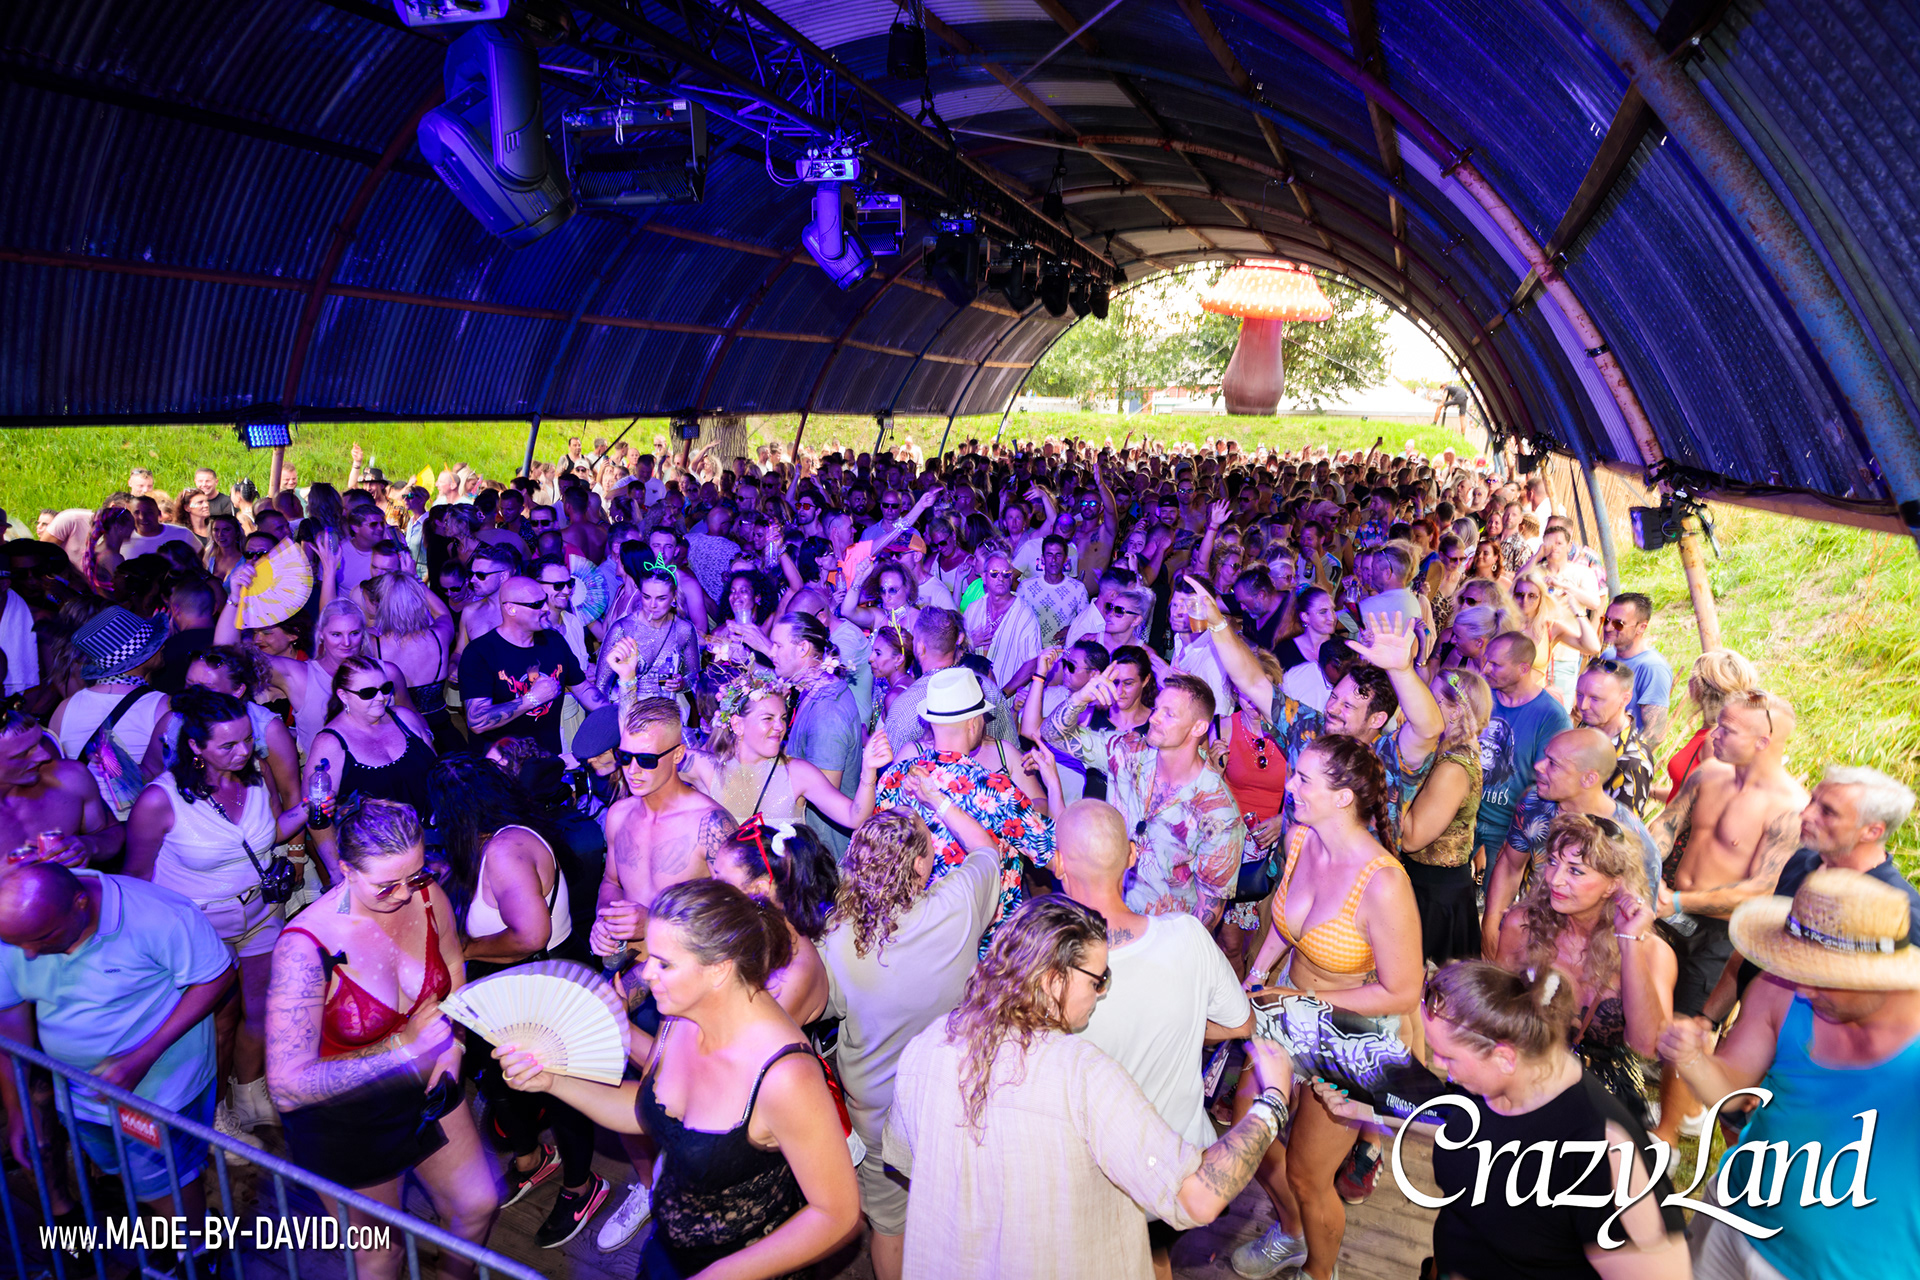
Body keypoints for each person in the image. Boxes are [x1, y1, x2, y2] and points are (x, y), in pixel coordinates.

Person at [883, 894, 1296, 1280]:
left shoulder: (925, 1049)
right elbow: (1197, 1198)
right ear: (1053, 981)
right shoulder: (1084, 1076)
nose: (1101, 994)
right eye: (1097, 980)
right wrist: (1270, 1104)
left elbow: (906, 1160)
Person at [498, 879, 862, 1279]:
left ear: (719, 969)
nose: (646, 974)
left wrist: (718, 1276)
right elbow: (645, 1108)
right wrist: (553, 1081)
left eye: (664, 963)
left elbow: (837, 1214)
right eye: (650, 958)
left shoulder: (784, 1075)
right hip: (667, 1250)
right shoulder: (678, 1016)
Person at [1323, 961, 1689, 1279]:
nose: (1440, 1065)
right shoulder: (1493, 1084)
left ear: (1504, 1057)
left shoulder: (1604, 1153)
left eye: (1448, 1057)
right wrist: (1361, 1112)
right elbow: (1460, 1125)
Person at [266, 799, 498, 1280]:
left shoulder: (426, 895)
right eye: (386, 885)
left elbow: (454, 968)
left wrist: (453, 1048)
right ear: (346, 870)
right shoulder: (304, 948)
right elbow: (286, 1086)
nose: (404, 893)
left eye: (413, 875)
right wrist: (403, 1048)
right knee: (381, 1254)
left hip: (424, 1083)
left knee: (477, 1205)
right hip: (343, 1115)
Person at [1231, 736, 1424, 1278]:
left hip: (1350, 1035)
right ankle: (1291, 1232)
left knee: (1307, 1174)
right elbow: (1285, 925)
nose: (1290, 786)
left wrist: (1301, 998)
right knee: (1246, 1135)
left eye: (1304, 779)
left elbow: (1402, 992)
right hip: (1286, 1009)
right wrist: (1257, 974)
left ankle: (1319, 1271)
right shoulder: (1301, 838)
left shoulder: (1384, 883)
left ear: (1343, 797)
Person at [1665, 870, 1920, 1280]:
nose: (1803, 990)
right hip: (1734, 1218)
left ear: (1879, 977)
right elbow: (1733, 1092)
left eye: (1822, 977)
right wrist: (1693, 1059)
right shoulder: (1780, 988)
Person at [1059, 799, 1254, 1280]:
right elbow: (1241, 1024)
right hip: (1179, 1171)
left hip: (1099, 1184)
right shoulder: (1187, 935)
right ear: (1132, 855)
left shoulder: (1051, 974)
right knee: (1153, 1259)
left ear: (1059, 864)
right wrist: (1181, 1024)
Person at [431, 756, 609, 1249]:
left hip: (545, 982)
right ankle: (533, 1160)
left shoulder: (507, 850)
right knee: (499, 1079)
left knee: (563, 1094)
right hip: (511, 985)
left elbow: (532, 935)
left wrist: (465, 948)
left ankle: (583, 1187)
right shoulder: (490, 845)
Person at [820, 807, 1005, 1280]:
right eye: (929, 842)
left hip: (879, 1111)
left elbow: (820, 1009)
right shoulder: (957, 904)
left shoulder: (836, 940)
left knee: (890, 1225)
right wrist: (940, 802)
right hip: (954, 1098)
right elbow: (986, 849)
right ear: (920, 864)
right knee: (965, 1207)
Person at [125, 688, 311, 1146]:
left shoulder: (255, 778)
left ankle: (249, 1094)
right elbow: (136, 882)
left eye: (248, 739)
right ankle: (214, 1114)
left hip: (261, 914)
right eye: (228, 745)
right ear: (195, 746)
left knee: (262, 1011)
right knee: (218, 1026)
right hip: (202, 930)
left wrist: (310, 810)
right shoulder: (160, 800)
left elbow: (266, 835)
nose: (243, 751)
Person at [0, 863, 234, 1224]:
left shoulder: (160, 915)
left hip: (160, 1094)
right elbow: (10, 1022)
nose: (28, 954)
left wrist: (142, 1057)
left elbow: (215, 977)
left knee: (168, 1182)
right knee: (126, 1172)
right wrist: (18, 1109)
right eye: (18, 944)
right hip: (78, 1096)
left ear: (80, 903)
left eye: (43, 938)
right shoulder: (18, 928)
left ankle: (197, 1245)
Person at [588, 690, 732, 1250]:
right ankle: (649, 1189)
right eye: (626, 756)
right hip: (630, 975)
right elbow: (611, 882)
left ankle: (693, 1195)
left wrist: (653, 923)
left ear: (678, 754)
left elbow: (737, 918)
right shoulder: (618, 814)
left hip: (690, 987)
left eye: (647, 758)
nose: (633, 769)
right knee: (621, 1085)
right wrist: (605, 920)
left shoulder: (710, 824)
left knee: (686, 1103)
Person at [1646, 689, 1808, 1145]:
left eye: (1727, 729)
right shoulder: (1709, 773)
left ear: (1762, 742)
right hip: (1670, 905)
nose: (1714, 733)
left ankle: (1666, 1139)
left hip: (1724, 931)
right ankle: (1684, 1106)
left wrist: (1680, 902)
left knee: (1689, 1026)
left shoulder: (1790, 807)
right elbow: (1667, 824)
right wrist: (1648, 874)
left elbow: (1761, 888)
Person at [1491, 812, 1677, 1120]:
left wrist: (1629, 941)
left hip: (1603, 1095)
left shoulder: (1653, 953)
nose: (1555, 879)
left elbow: (1647, 1046)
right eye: (1553, 862)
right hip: (1522, 1079)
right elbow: (1492, 1015)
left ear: (1613, 885)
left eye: (1575, 871)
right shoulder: (1522, 926)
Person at [1706, 764, 1920, 1023]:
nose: (1805, 814)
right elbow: (1753, 955)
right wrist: (1707, 1019)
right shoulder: (1802, 862)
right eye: (1812, 801)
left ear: (1872, 831)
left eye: (1827, 811)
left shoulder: (1901, 911)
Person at [1042, 667, 1242, 926]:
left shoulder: (1218, 812)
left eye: (1169, 714)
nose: (1155, 718)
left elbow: (1208, 912)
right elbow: (1052, 735)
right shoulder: (1128, 752)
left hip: (1161, 936)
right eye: (1157, 709)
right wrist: (1080, 698)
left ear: (1198, 728)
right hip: (1099, 920)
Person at [873, 667, 1055, 925]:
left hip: (913, 929)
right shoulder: (995, 790)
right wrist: (1053, 784)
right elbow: (1052, 854)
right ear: (973, 723)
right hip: (982, 938)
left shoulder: (894, 779)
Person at [1482, 728, 1662, 957]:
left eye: (1553, 764)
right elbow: (1510, 865)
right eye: (1545, 757)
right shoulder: (1535, 803)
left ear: (1588, 778)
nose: (1539, 766)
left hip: (1591, 956)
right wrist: (1491, 923)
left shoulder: (1630, 840)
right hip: (1533, 936)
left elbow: (1638, 919)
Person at [680, 673, 888, 838]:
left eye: (782, 718)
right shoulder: (706, 767)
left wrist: (869, 770)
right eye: (768, 718)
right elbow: (662, 757)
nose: (780, 727)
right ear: (737, 725)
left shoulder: (797, 774)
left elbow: (855, 817)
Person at [219, 595, 414, 754]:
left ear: (363, 633)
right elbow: (226, 655)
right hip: (325, 781)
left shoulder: (388, 673)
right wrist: (234, 599)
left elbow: (412, 724)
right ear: (321, 634)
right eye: (336, 634)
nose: (346, 643)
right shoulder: (301, 676)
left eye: (354, 633)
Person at [303, 656, 439, 871]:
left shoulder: (405, 718)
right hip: (379, 861)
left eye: (385, 688)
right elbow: (317, 818)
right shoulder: (329, 744)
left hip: (436, 845)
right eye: (368, 693)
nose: (381, 698)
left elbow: (439, 776)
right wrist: (336, 870)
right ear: (343, 695)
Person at [1400, 667, 1491, 964]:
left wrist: (1389, 786)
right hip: (1429, 884)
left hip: (1434, 894)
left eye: (1432, 698)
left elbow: (1411, 838)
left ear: (1455, 710)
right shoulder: (1451, 750)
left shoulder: (1454, 768)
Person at [459, 575, 606, 755]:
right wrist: (531, 699)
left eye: (544, 601)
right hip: (502, 765)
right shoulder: (480, 652)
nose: (546, 608)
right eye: (536, 605)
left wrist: (618, 715)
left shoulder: (554, 641)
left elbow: (582, 690)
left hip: (546, 759)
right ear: (511, 609)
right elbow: (477, 721)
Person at [50, 606, 172, 816]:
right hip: (137, 821)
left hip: (84, 822)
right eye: (154, 642)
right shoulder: (162, 706)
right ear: (138, 657)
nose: (162, 645)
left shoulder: (65, 708)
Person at [1473, 632, 1574, 860]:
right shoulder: (1481, 695)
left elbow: (1549, 780)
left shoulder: (1551, 716)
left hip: (1507, 828)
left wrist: (1519, 834)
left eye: (1496, 665)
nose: (1486, 669)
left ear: (1523, 668)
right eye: (1486, 661)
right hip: (1465, 815)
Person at [359, 541, 461, 753]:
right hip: (442, 730)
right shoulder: (439, 636)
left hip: (400, 734)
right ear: (417, 602)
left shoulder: (373, 643)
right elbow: (442, 613)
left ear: (384, 604)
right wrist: (415, 579)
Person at [881, 607, 1019, 751]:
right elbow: (1010, 749)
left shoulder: (905, 706)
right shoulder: (988, 688)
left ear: (920, 648)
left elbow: (891, 761)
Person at [0, 708, 124, 868]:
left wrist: (89, 845)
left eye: (40, 742)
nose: (44, 756)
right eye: (23, 754)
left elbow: (111, 832)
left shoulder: (71, 777)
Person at [1653, 649, 1757, 805]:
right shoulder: (1715, 732)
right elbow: (1688, 795)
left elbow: (1709, 806)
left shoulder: (1715, 741)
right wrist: (1651, 792)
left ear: (1697, 687)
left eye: (1692, 677)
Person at [1573, 657, 1655, 817]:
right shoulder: (1590, 723)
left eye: (1595, 699)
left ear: (1625, 699)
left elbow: (1624, 827)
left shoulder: (1633, 762)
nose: (1583, 705)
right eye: (1580, 694)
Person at [1598, 592, 1672, 748]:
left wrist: (1624, 757)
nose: (1608, 628)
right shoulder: (1607, 655)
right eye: (1605, 620)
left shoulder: (1653, 668)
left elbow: (1655, 734)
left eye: (1618, 624)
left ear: (1641, 627)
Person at [1018, 534, 1090, 647]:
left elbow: (1087, 623)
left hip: (1063, 652)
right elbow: (1016, 620)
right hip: (1030, 650)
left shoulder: (1078, 589)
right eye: (1049, 554)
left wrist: (1072, 630)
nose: (1054, 560)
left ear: (1066, 559)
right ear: (1042, 558)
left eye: (1059, 555)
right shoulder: (1026, 587)